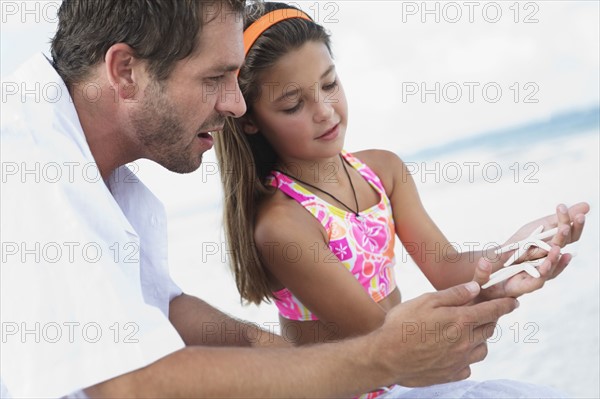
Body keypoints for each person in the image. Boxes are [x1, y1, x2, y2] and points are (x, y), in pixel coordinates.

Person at [0, 0, 581, 398]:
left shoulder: (103, 173)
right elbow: (125, 384)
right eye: (214, 79)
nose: (234, 106)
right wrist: (380, 358)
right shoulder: (28, 170)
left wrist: (513, 262)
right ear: (125, 71)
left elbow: (170, 310)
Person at [214, 2, 589, 397]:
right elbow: (384, 337)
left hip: (405, 378)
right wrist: (495, 295)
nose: (324, 112)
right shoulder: (282, 224)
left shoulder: (383, 171)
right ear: (249, 118)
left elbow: (448, 268)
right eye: (293, 104)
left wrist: (519, 249)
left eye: (329, 85)